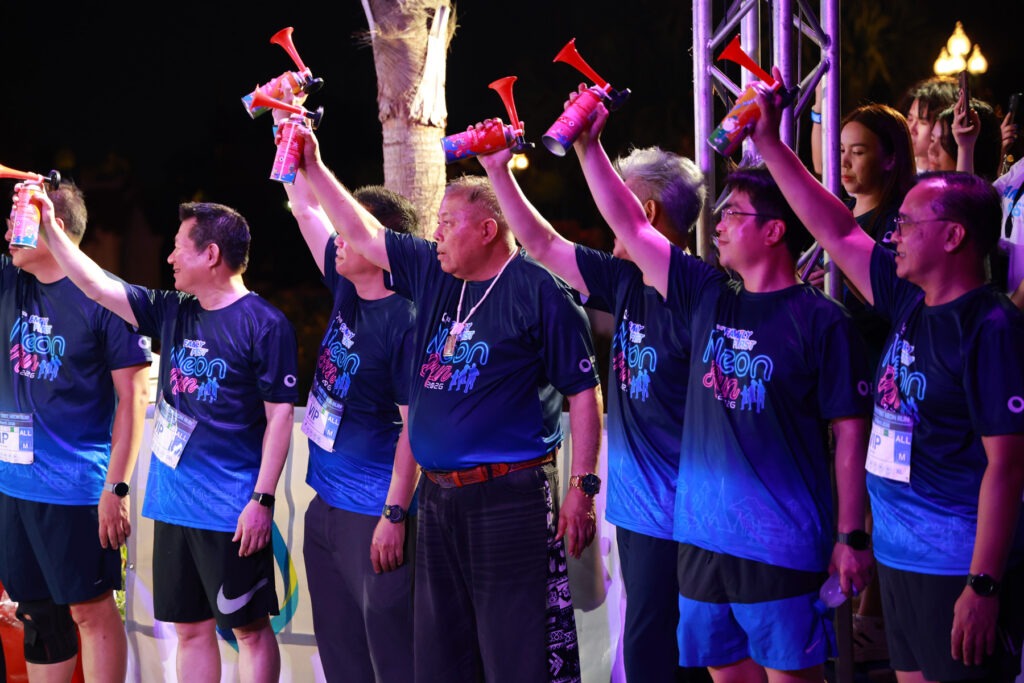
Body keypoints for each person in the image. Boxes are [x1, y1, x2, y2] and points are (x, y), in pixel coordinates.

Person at [572, 92, 873, 681]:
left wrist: (851, 535)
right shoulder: (707, 293)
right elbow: (632, 223)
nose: (720, 224)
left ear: (776, 230)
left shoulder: (822, 321)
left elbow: (850, 438)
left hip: (780, 543)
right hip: (702, 541)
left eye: (735, 214)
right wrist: (589, 148)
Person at [292, 124, 603, 683]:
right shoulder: (435, 275)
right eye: (435, 222)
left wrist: (582, 488)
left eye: (448, 223)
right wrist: (312, 166)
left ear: (487, 230)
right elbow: (363, 233)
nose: (436, 234)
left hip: (508, 495)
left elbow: (584, 391)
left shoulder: (539, 292)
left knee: (514, 653)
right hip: (438, 496)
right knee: (442, 655)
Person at [752, 67, 1024, 683]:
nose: (893, 235)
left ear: (953, 237)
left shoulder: (990, 328)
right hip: (899, 559)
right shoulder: (909, 300)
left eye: (907, 225)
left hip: (955, 567)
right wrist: (768, 142)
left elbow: (1008, 466)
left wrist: (983, 583)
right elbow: (835, 227)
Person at [476, 120, 707, 682]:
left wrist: (588, 144)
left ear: (644, 212)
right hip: (642, 512)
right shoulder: (626, 279)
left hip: (684, 514)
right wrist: (497, 171)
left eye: (617, 201)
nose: (607, 219)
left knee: (679, 655)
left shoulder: (691, 285)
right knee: (649, 647)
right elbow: (541, 244)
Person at [37, 198, 299, 683]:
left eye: (179, 247)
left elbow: (280, 416)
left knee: (248, 631)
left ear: (211, 254)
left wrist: (262, 500)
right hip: (172, 503)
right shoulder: (174, 310)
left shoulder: (265, 323)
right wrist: (51, 229)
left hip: (230, 511)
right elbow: (95, 285)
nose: (170, 257)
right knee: (189, 630)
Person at [0, 180, 151, 682]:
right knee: (37, 614)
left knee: (90, 610)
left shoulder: (106, 297)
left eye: (19, 223)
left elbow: (134, 398)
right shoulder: (11, 280)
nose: (8, 233)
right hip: (13, 484)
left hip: (75, 489)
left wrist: (116, 488)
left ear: (53, 226)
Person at [282, 170, 419, 682]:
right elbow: (304, 208)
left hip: (374, 514)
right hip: (326, 504)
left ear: (380, 244)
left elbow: (415, 431)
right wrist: (289, 142)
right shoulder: (347, 285)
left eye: (349, 230)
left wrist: (394, 513)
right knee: (340, 657)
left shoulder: (406, 320)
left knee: (391, 658)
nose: (337, 239)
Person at [901, 76, 959, 174]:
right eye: (910, 119)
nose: (911, 129)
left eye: (922, 122)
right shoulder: (900, 169)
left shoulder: (954, 175)